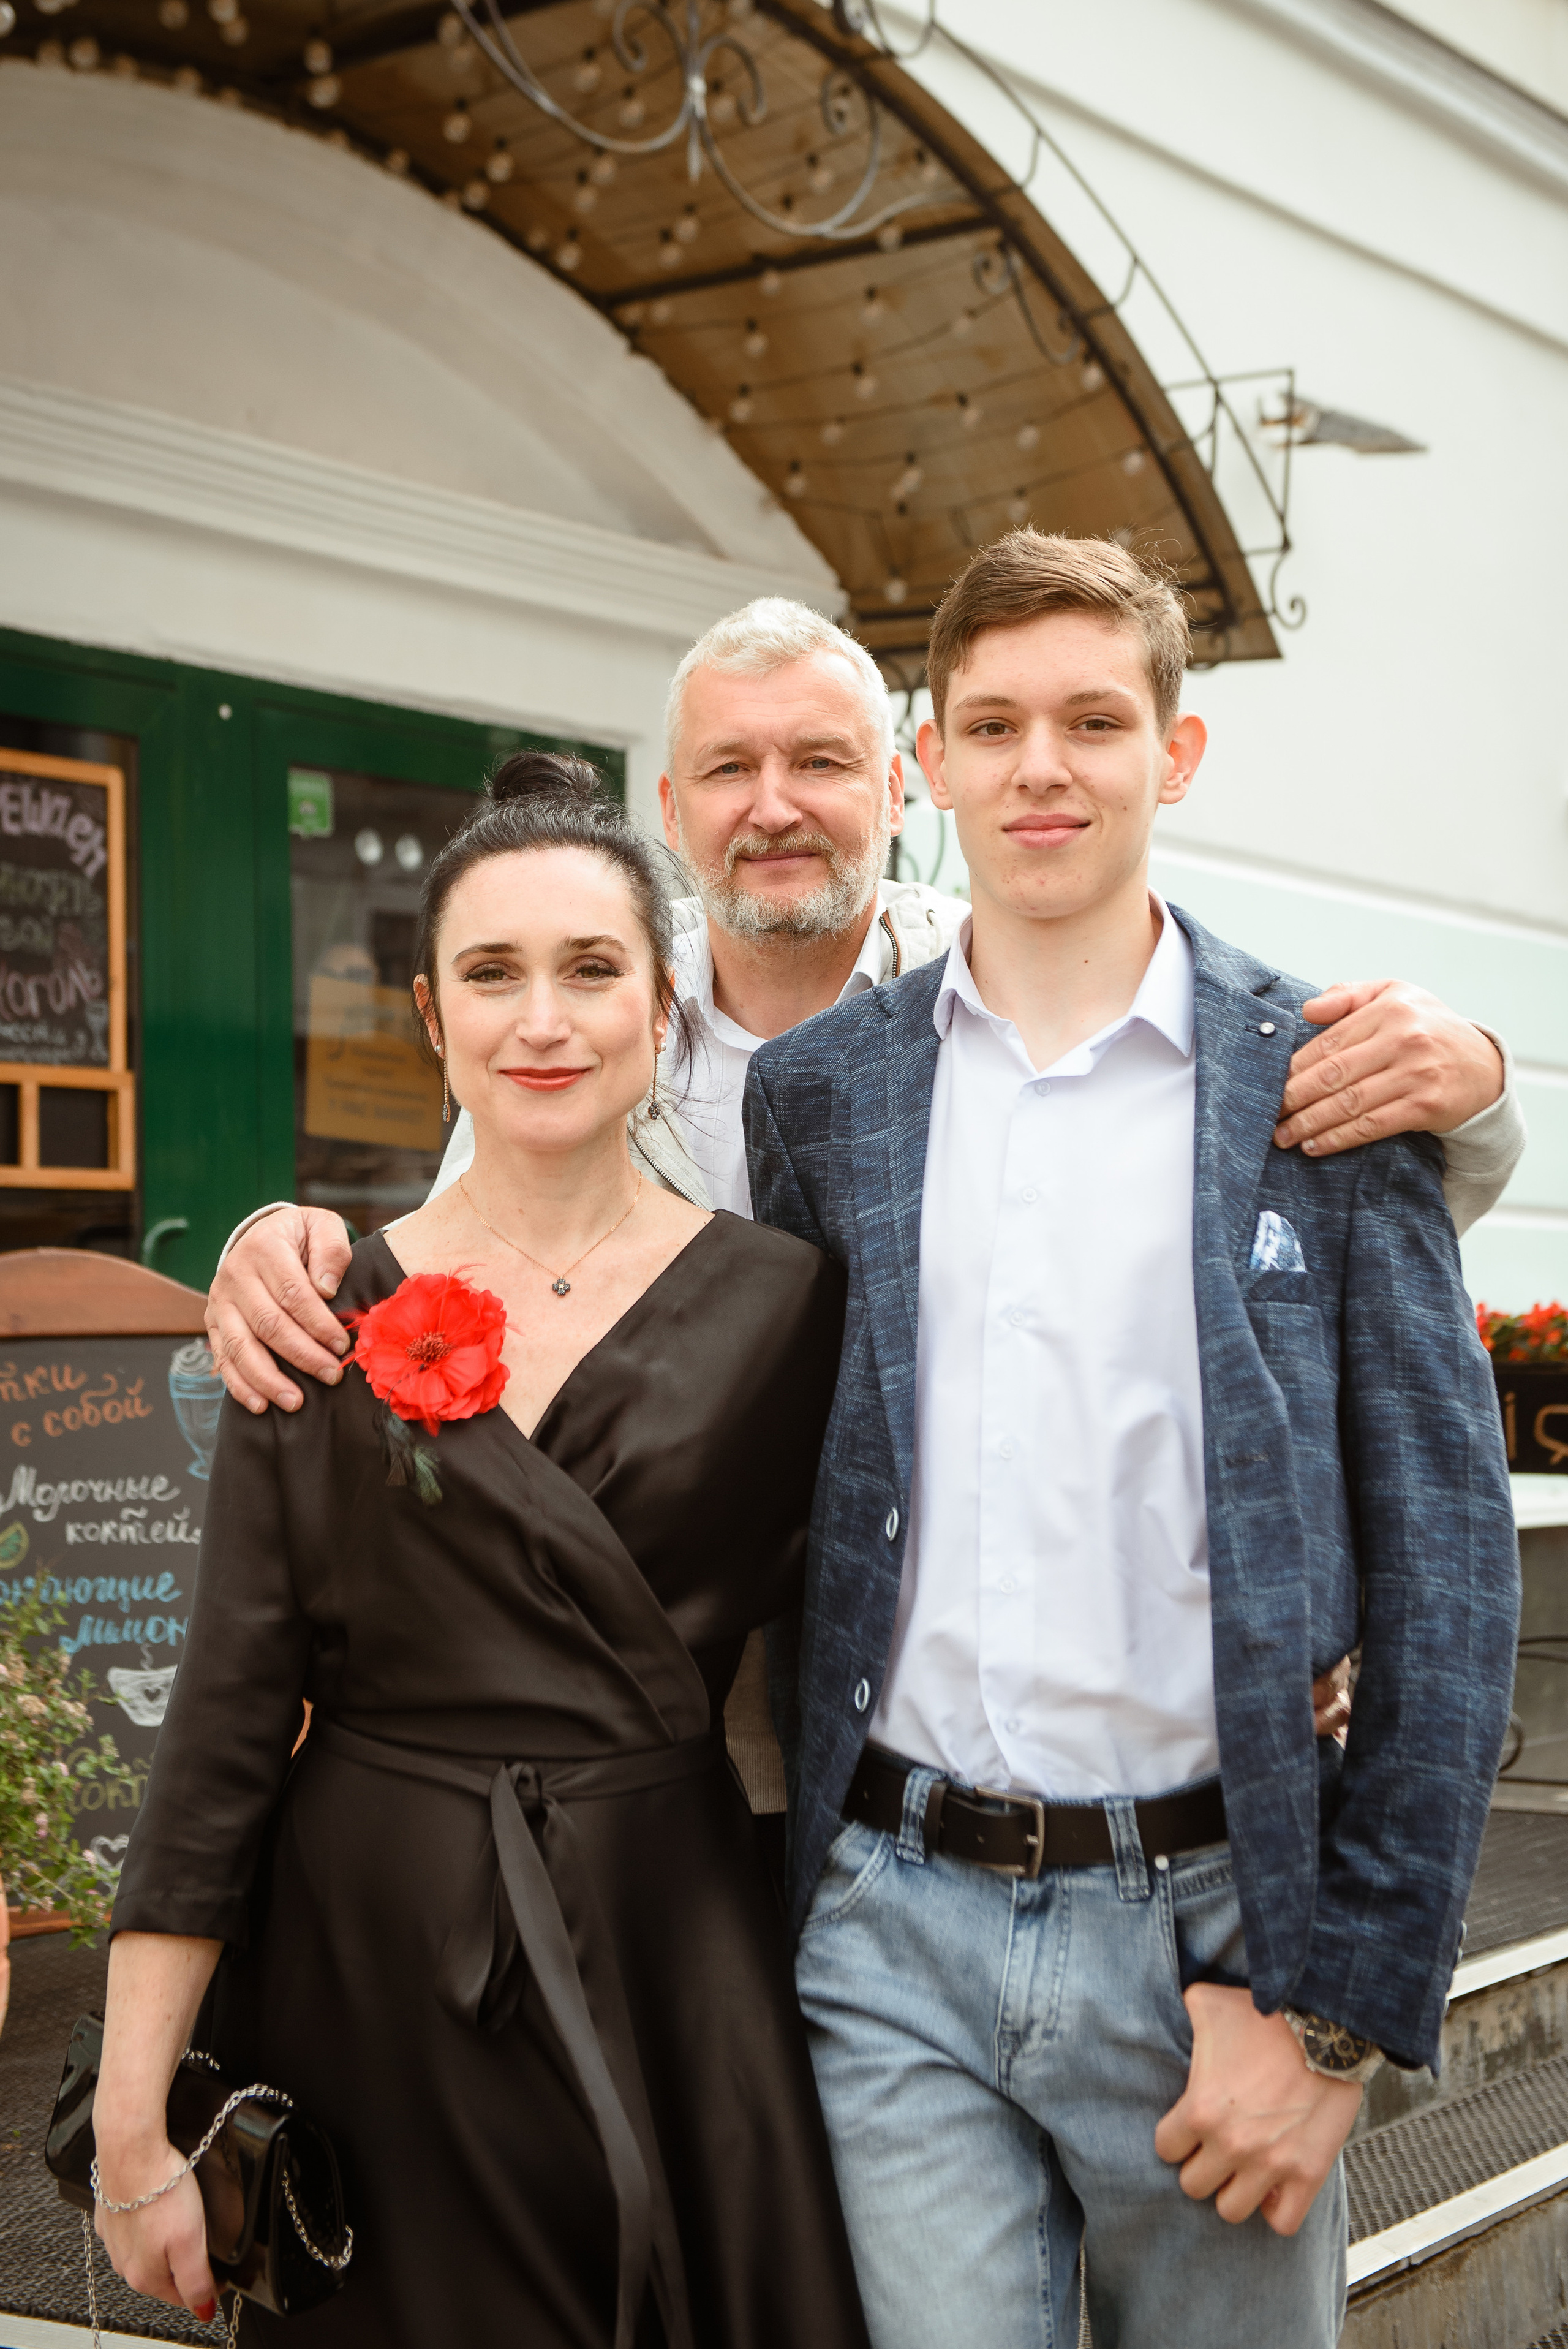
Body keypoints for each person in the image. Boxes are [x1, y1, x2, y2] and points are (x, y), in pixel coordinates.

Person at [203, 599, 1526, 1832]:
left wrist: (1478, 1091)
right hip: (644, 1730)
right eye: (728, 768)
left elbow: (1282, 1211)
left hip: (937, 1751)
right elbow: (462, 1264)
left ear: (901, 784)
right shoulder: (592, 1005)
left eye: (821, 763)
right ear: (671, 807)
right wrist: (288, 1244)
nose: (773, 807)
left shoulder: (1011, 982)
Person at [742, 532, 1520, 2349]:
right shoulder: (822, 1097)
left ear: (1174, 754)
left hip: (1215, 1947)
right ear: (929, 760)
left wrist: (1335, 2012)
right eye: (993, 725)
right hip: (888, 1935)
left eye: (1094, 721)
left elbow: (1449, 1574)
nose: (1042, 767)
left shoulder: (1326, 1083)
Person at [93, 758, 870, 2349]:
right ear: (430, 1018)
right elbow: (224, 1724)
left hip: (671, 1940)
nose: (543, 1020)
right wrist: (128, 2124)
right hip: (373, 1955)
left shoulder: (794, 1304)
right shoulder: (316, 1313)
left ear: (663, 1005)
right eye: (492, 973)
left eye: (590, 969)